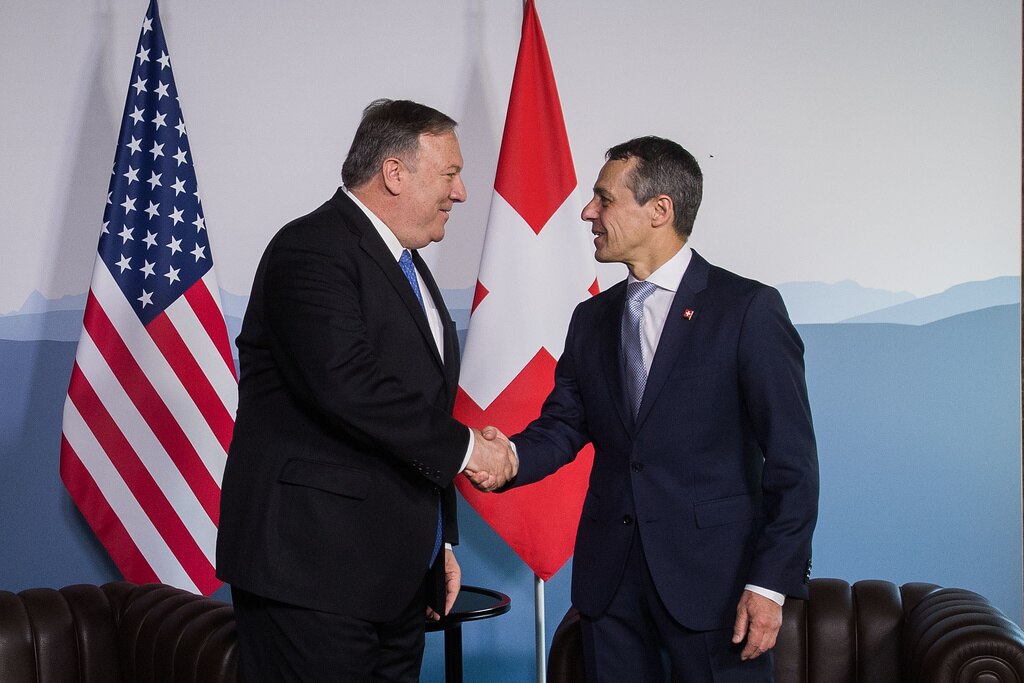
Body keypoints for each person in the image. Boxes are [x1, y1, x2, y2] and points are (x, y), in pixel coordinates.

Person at [472, 136, 818, 682]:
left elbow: (793, 464)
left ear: (660, 210)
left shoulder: (747, 310)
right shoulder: (592, 320)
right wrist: (510, 458)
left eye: (604, 199)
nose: (588, 211)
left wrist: (768, 585)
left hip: (715, 587)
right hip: (612, 587)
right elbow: (564, 426)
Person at [216, 98, 517, 682]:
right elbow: (347, 384)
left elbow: (417, 404)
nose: (460, 193)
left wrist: (440, 543)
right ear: (394, 173)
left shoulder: (407, 262)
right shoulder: (311, 249)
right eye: (450, 173)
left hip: (394, 578)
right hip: (312, 575)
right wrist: (470, 449)